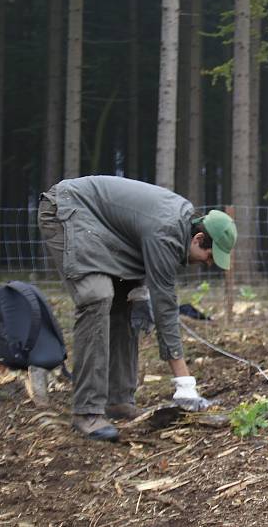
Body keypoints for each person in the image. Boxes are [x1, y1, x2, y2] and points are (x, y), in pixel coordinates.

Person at [38, 175, 237, 441]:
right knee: (97, 296)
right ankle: (87, 412)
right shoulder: (168, 231)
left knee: (128, 300)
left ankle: (119, 400)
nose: (208, 264)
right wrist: (185, 384)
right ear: (198, 238)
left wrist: (139, 292)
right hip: (68, 209)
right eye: (209, 256)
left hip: (102, 227)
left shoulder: (178, 228)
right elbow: (166, 307)